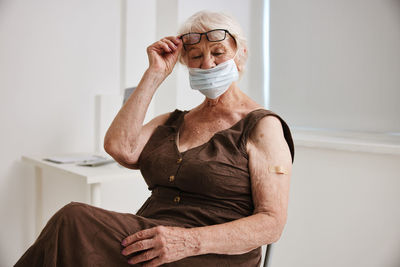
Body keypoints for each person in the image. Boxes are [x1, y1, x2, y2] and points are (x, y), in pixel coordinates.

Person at [15, 10, 294, 267]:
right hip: (150, 240)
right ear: (185, 63)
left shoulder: (263, 126)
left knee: (72, 219)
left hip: (210, 254)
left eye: (218, 52)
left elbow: (271, 223)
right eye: (195, 56)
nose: (207, 63)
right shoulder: (173, 121)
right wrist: (155, 73)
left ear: (241, 54)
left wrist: (187, 242)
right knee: (72, 231)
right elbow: (119, 147)